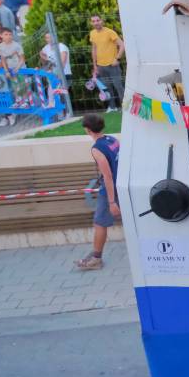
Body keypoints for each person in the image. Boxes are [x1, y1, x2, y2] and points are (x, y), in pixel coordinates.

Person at [74, 113, 121, 270]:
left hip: (110, 191)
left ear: (88, 130)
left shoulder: (96, 149)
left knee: (100, 223)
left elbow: (107, 176)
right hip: (121, 186)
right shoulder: (113, 140)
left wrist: (112, 202)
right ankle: (95, 255)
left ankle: (96, 259)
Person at [89, 15, 125, 111]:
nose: (96, 22)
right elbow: (94, 49)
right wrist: (95, 65)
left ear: (102, 21)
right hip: (100, 66)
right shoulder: (92, 33)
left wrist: (117, 59)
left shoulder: (110, 32)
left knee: (119, 87)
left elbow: (122, 45)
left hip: (112, 65)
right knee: (107, 88)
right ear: (91, 23)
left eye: (98, 20)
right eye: (93, 21)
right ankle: (112, 107)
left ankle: (125, 107)